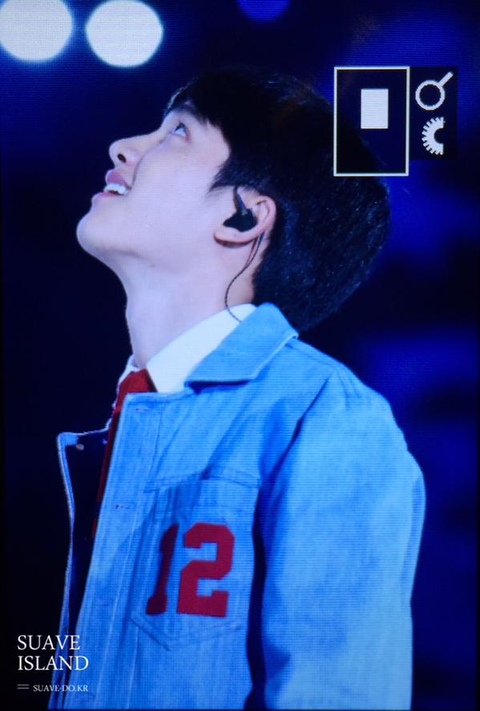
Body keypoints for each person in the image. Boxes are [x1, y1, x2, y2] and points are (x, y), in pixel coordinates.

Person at [48, 64, 426, 710]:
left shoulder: (322, 416)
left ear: (242, 216)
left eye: (177, 132)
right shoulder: (121, 420)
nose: (123, 148)